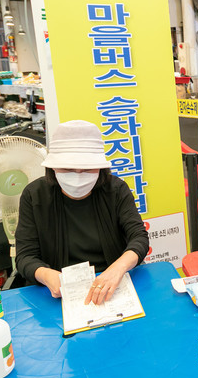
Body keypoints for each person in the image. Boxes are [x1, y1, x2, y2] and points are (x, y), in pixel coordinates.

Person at [15, 120, 149, 306]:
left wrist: (118, 268)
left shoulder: (116, 189)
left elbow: (139, 237)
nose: (78, 175)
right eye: (68, 169)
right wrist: (46, 275)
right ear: (52, 167)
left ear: (100, 168)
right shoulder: (34, 195)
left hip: (113, 283)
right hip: (60, 291)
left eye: (87, 169)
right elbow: (24, 256)